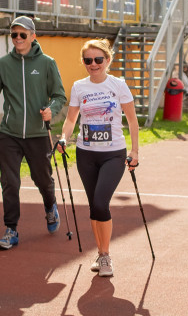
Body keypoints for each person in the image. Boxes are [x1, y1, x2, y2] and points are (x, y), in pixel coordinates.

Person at [54, 39, 140, 277]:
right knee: (94, 207)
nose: (93, 64)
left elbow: (132, 120)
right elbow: (71, 120)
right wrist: (63, 138)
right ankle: (101, 254)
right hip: (86, 153)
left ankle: (106, 256)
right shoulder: (79, 87)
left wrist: (135, 151)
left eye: (98, 59)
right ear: (83, 62)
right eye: (88, 60)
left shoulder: (118, 85)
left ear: (108, 60)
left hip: (113, 153)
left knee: (101, 202)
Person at [0, 16, 67, 250]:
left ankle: (50, 207)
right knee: (10, 182)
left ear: (33, 36)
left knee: (43, 181)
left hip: (38, 134)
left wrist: (52, 110)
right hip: (10, 133)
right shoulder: (2, 65)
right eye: (14, 35)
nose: (18, 39)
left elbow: (59, 95)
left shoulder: (47, 63)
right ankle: (11, 229)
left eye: (22, 34)